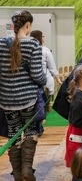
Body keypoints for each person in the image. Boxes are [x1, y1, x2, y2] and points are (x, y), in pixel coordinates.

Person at [0, 10, 47, 181]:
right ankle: (27, 169)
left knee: (13, 132)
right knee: (30, 130)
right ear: (28, 26)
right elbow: (37, 75)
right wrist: (44, 82)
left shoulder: (0, 44)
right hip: (28, 99)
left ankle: (18, 174)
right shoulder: (33, 44)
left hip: (6, 100)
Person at [30, 30, 62, 136]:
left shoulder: (26, 50)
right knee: (41, 106)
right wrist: (57, 78)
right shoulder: (45, 50)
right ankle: (38, 128)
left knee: (33, 107)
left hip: (30, 84)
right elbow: (52, 67)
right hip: (43, 83)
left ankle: (35, 128)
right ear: (40, 38)